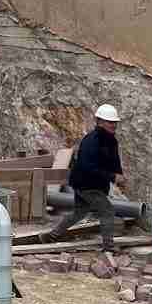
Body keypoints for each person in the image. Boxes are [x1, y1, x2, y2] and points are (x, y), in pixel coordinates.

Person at [41, 104, 124, 251]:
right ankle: (109, 247)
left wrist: (119, 175)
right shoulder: (91, 141)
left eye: (115, 122)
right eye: (110, 122)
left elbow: (114, 161)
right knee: (107, 211)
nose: (114, 125)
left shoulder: (111, 140)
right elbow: (87, 167)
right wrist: (112, 176)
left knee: (79, 213)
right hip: (86, 184)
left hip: (94, 184)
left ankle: (51, 236)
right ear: (100, 122)